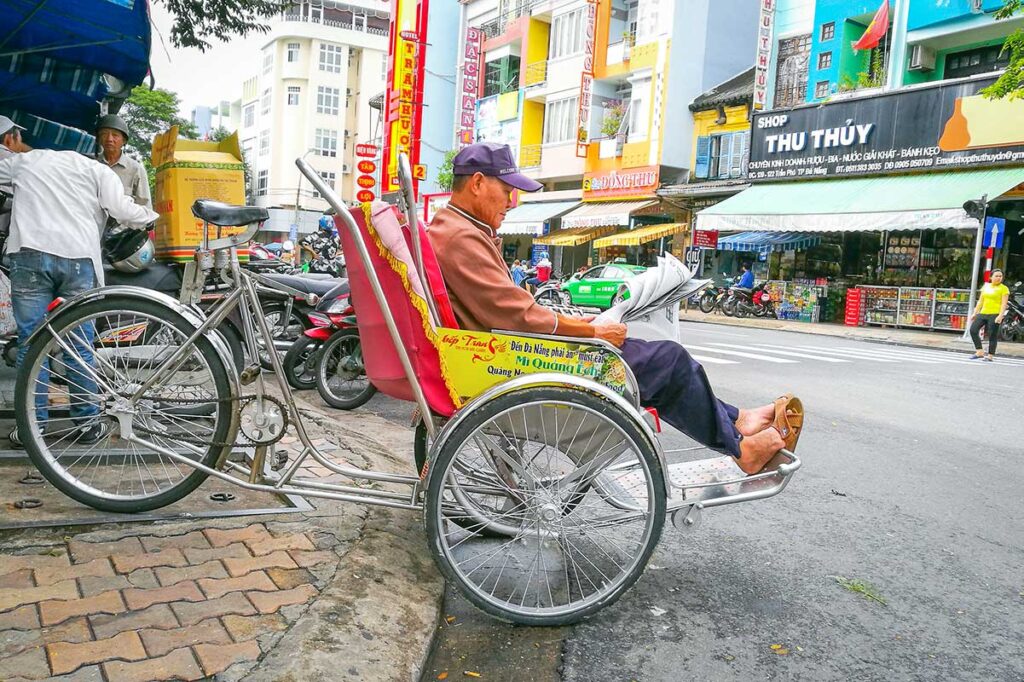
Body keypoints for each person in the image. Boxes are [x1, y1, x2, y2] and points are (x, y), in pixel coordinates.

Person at [426, 142, 801, 474]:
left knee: (653, 357)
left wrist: (579, 323)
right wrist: (590, 331)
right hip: (512, 355)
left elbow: (508, 307)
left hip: (509, 348)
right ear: (477, 183)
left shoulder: (455, 229)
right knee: (667, 361)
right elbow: (515, 314)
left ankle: (738, 420)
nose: (511, 203)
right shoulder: (461, 237)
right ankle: (740, 448)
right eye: (506, 191)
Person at [0, 137, 159, 446]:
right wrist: (154, 218)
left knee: (32, 344)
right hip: (78, 259)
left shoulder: (28, 161)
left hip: (30, 254)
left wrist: (10, 148)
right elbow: (122, 210)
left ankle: (34, 427)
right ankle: (86, 423)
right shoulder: (96, 170)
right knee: (78, 344)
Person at [94, 114, 152, 209]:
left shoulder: (135, 169)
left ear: (124, 141)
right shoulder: (91, 164)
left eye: (115, 135)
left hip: (123, 223)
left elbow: (145, 208)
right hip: (92, 223)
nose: (109, 139)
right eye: (104, 134)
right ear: (99, 139)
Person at [969, 268, 1010, 362]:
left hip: (995, 313)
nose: (999, 278)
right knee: (973, 330)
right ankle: (979, 351)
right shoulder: (986, 286)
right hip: (983, 312)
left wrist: (1000, 316)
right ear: (991, 277)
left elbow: (1004, 303)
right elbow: (980, 301)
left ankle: (990, 355)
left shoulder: (1004, 289)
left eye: (1000, 276)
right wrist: (975, 313)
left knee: (992, 334)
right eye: (996, 276)